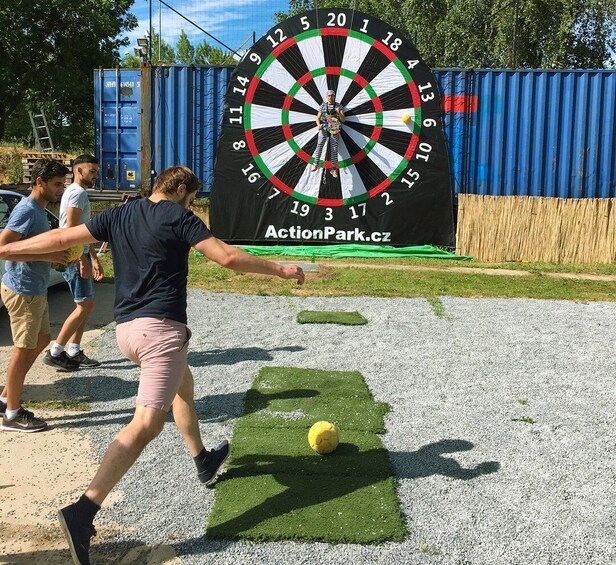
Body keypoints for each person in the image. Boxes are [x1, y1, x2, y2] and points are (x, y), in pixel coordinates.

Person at [0, 165, 305, 564]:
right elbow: (227, 257)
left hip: (128, 332)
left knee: (184, 386)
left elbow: (59, 237)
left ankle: (202, 458)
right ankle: (82, 513)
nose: (191, 203)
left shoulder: (120, 213)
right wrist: (281, 269)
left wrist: (4, 249)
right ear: (180, 190)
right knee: (146, 424)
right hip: (160, 333)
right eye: (192, 197)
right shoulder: (179, 215)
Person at [0, 159, 70, 432]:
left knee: (41, 341)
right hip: (23, 291)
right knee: (24, 350)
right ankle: (13, 415)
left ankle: (7, 396)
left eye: (62, 185)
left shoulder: (39, 211)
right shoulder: (27, 210)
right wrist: (48, 255)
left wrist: (53, 258)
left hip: (35, 289)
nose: (60, 190)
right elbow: (3, 249)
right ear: (39, 182)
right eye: (56, 185)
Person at [44, 155, 103, 371]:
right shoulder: (77, 194)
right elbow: (71, 230)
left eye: (96, 171)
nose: (96, 175)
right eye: (92, 171)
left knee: (85, 305)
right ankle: (56, 351)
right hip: (74, 257)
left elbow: (85, 230)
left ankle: (74, 350)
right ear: (79, 171)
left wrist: (93, 257)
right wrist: (82, 259)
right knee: (84, 305)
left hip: (81, 254)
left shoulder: (77, 192)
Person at [311, 89, 345, 178]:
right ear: (327, 97)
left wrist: (338, 112)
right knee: (320, 144)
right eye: (329, 96)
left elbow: (343, 119)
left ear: (334, 96)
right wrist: (318, 125)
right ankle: (316, 163)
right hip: (325, 124)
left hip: (334, 126)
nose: (330, 97)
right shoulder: (323, 105)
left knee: (334, 147)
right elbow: (317, 118)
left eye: (332, 95)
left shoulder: (338, 106)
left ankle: (333, 169)